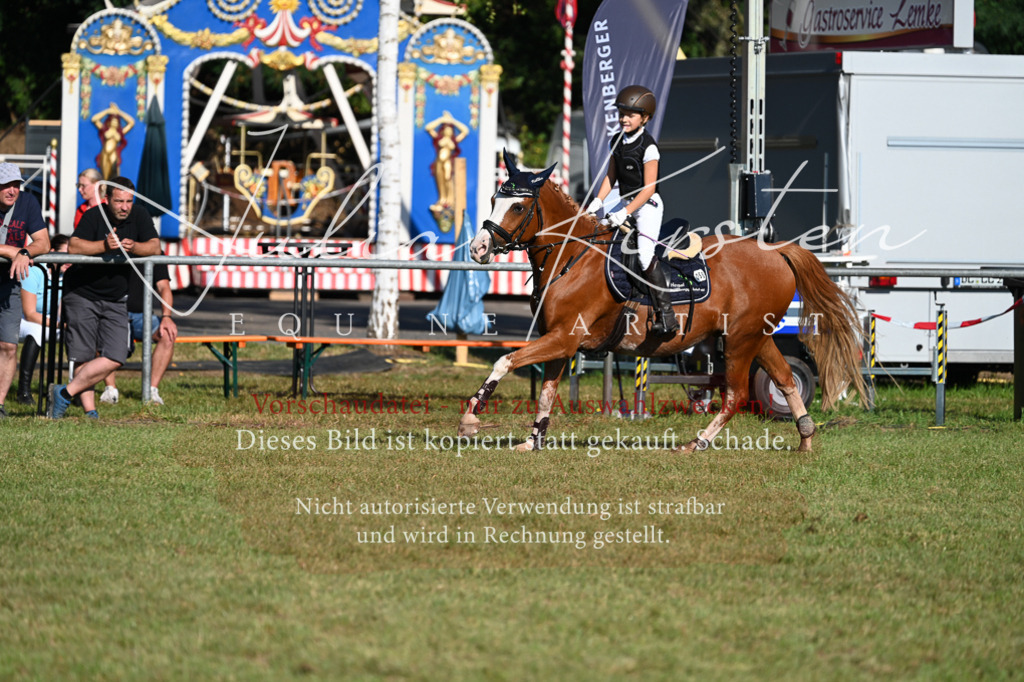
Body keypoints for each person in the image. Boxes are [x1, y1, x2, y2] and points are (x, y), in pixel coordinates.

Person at [48, 177, 160, 419]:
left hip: (116, 297)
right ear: (107, 199)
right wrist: (104, 245)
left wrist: (135, 247)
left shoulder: (140, 215)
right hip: (82, 293)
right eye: (119, 201)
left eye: (129, 201)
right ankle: (90, 412)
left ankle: (64, 393)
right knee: (84, 354)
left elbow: (154, 247)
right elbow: (75, 246)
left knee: (117, 355)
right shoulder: (93, 216)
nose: (124, 207)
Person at [585, 85, 678, 335]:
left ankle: (667, 316)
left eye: (631, 115)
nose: (624, 119)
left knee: (645, 256)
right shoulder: (616, 140)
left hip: (647, 207)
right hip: (624, 203)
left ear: (645, 118)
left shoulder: (649, 147)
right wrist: (598, 201)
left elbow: (648, 189)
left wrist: (624, 212)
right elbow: (610, 177)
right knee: (598, 238)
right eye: (622, 113)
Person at [0, 162, 50, 418]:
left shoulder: (28, 203)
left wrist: (25, 252)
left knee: (9, 346)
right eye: (7, 185)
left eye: (16, 184)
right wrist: (11, 251)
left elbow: (44, 242)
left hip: (9, 285)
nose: (12, 190)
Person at [100, 258, 177, 405]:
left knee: (168, 334)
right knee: (99, 331)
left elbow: (164, 287)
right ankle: (110, 390)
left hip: (143, 315)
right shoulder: (114, 248)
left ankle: (151, 391)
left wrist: (167, 316)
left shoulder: (155, 252)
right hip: (114, 312)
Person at [16, 235, 70, 405]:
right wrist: (59, 325)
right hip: (25, 319)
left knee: (79, 332)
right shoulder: (35, 271)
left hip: (53, 320)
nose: (69, 260)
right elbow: (30, 313)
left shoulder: (69, 276)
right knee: (36, 330)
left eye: (72, 255)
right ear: (52, 253)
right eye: (65, 254)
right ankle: (23, 391)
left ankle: (74, 390)